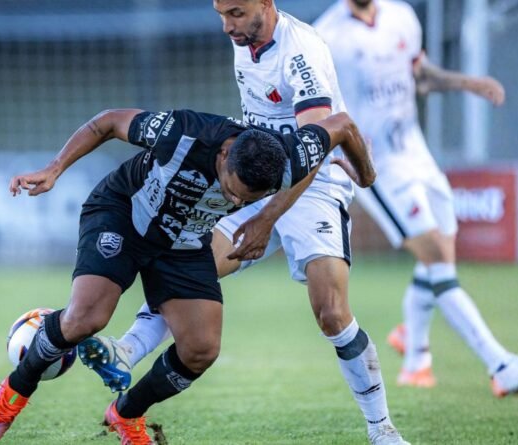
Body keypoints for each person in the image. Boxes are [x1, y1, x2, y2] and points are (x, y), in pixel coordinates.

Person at [76, 1, 411, 444]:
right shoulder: (246, 38)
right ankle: (127, 350)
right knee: (192, 264)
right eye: (220, 14)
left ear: (266, 4)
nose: (226, 26)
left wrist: (268, 219)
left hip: (309, 187)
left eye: (235, 13)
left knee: (331, 312)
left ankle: (381, 428)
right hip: (252, 176)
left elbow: (311, 149)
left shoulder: (300, 53)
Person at [0, 107, 376, 444]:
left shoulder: (287, 157)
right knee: (86, 319)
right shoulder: (185, 132)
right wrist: (55, 168)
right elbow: (108, 122)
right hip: (125, 215)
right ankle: (16, 388)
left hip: (184, 242)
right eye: (233, 190)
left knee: (201, 348)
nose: (235, 201)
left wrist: (367, 176)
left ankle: (126, 413)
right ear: (225, 154)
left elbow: (342, 125)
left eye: (247, 200)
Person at [313, 0, 518, 394]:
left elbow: (419, 77)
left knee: (443, 250)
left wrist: (469, 83)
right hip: (376, 167)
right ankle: (501, 364)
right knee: (438, 261)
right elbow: (317, 111)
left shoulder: (401, 16)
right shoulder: (326, 36)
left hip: (417, 154)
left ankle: (415, 358)